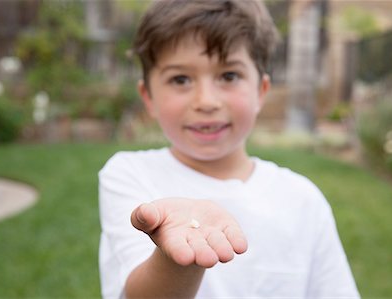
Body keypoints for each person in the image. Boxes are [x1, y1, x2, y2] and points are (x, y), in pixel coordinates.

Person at [98, 0, 360, 298]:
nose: (206, 101)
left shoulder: (304, 201)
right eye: (180, 79)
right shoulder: (130, 176)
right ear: (149, 97)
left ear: (261, 91)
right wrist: (179, 259)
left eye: (229, 76)